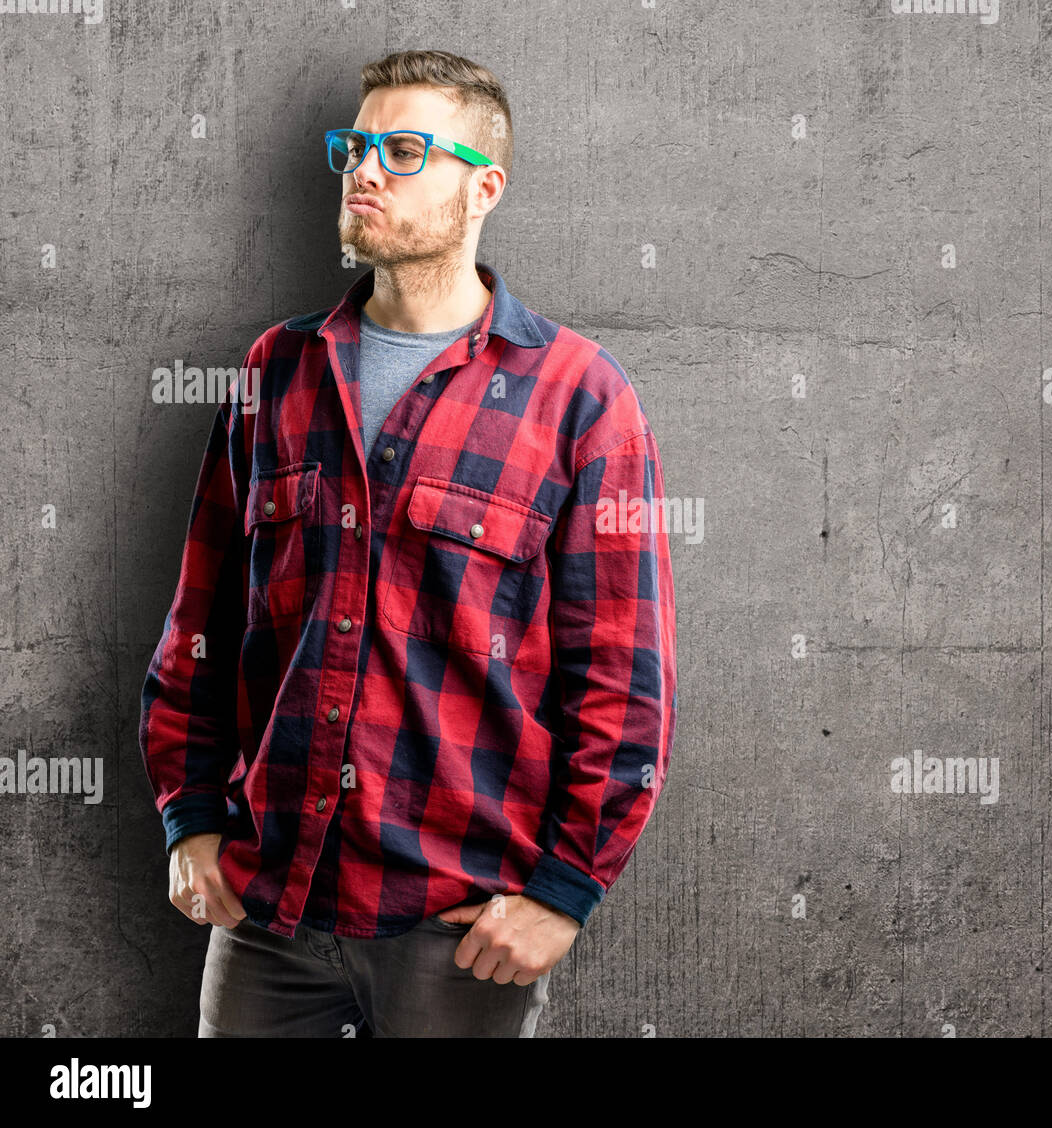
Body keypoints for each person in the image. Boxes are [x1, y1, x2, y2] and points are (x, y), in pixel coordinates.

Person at [138, 49, 678, 1038]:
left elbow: (623, 679)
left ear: (485, 185)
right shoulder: (279, 368)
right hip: (268, 914)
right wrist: (191, 814)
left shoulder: (579, 396)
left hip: (461, 929)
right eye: (355, 146)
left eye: (402, 149)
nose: (364, 171)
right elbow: (200, 622)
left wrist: (563, 895)